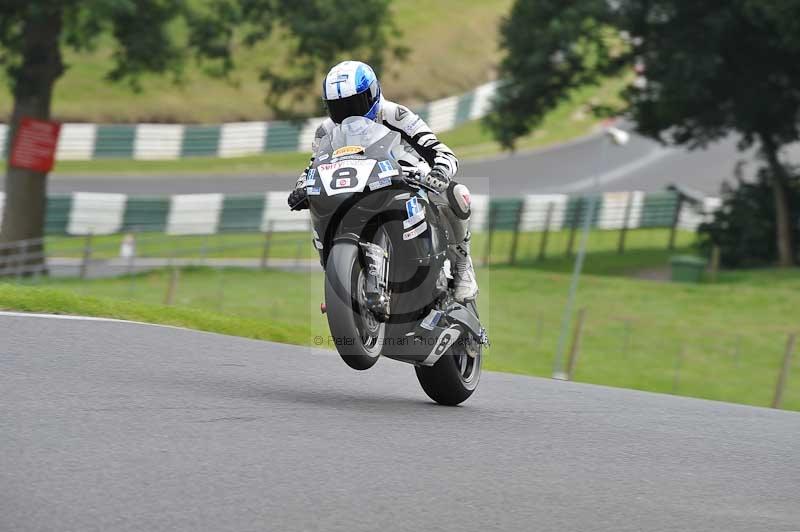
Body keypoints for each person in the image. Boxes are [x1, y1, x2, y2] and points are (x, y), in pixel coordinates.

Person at [288, 60, 478, 302]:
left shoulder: (395, 114)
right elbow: (315, 165)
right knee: (318, 205)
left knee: (457, 194)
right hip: (356, 184)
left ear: (373, 94)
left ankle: (462, 266)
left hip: (405, 175)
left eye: (355, 104)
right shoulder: (325, 131)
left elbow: (441, 151)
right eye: (340, 107)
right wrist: (302, 187)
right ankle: (338, 279)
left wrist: (439, 172)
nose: (349, 113)